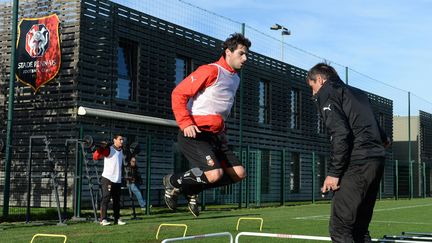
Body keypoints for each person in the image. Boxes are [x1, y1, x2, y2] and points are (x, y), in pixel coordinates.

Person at [164, 33, 251, 217]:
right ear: (228, 52)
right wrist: (185, 122)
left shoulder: (236, 79)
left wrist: (221, 129)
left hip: (216, 136)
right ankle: (173, 181)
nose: (245, 58)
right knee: (214, 174)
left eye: (246, 54)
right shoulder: (210, 70)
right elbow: (178, 93)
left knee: (239, 173)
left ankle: (192, 189)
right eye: (241, 53)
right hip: (195, 132)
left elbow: (219, 107)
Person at [306, 63, 390, 242]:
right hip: (376, 161)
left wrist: (334, 173)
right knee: (360, 230)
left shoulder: (328, 92)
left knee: (340, 229)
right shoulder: (358, 93)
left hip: (357, 162)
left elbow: (341, 133)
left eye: (312, 87)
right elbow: (384, 138)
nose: (312, 94)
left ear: (320, 79)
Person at [93, 134, 126, 226]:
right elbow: (95, 157)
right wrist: (101, 148)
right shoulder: (109, 149)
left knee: (116, 200)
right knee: (106, 198)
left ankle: (117, 219)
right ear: (114, 140)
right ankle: (103, 219)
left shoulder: (121, 150)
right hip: (107, 178)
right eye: (120, 139)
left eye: (122, 139)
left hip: (117, 179)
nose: (122, 141)